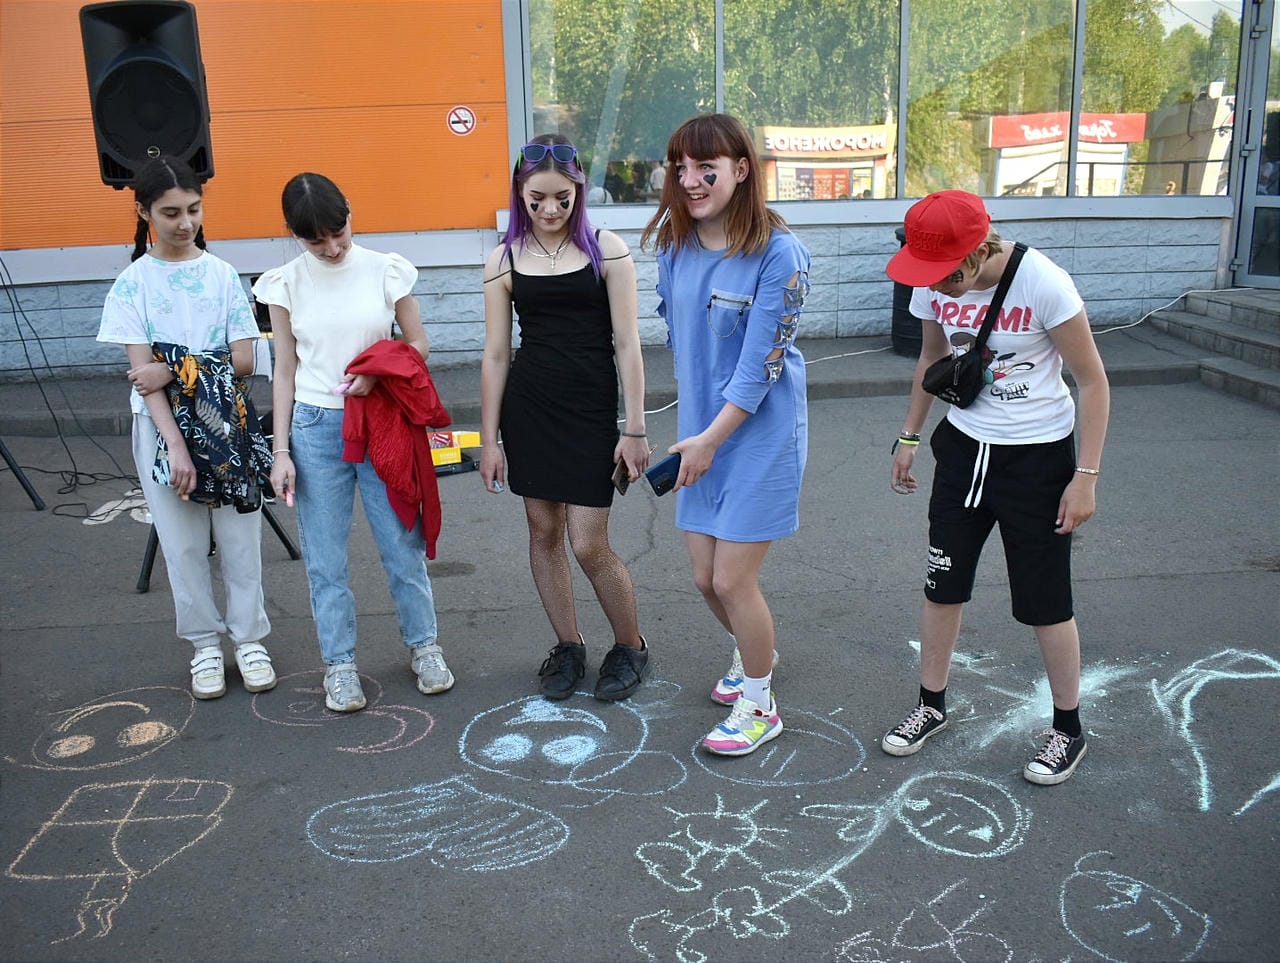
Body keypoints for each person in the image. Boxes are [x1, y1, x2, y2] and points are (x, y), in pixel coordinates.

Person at [883, 189, 1110, 786]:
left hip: (1038, 461)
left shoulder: (1044, 283)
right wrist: (909, 436)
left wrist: (1085, 477)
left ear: (979, 250)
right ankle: (931, 705)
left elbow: (1093, 382)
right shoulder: (931, 278)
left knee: (1045, 599)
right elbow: (932, 358)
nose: (937, 287)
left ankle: (1068, 728)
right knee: (943, 585)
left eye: (948, 275)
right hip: (964, 452)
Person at [640, 113, 811, 756]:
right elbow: (684, 344)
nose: (690, 180)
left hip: (759, 435)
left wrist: (712, 437)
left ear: (742, 170)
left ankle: (761, 705)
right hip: (699, 435)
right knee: (705, 579)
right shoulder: (674, 248)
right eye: (680, 167)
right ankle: (754, 651)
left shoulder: (779, 253)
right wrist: (694, 434)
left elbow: (761, 365)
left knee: (735, 581)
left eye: (705, 168)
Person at [254, 173, 452, 713]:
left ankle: (425, 647)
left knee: (402, 545)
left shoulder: (386, 268)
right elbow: (284, 371)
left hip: (382, 418)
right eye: (315, 240)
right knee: (324, 559)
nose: (332, 248)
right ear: (294, 234)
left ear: (349, 212)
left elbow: (418, 343)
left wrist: (376, 374)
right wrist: (280, 452)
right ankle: (339, 666)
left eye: (337, 233)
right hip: (315, 427)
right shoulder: (284, 284)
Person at [97, 155, 276, 700]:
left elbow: (244, 359)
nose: (185, 223)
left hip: (227, 424)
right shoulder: (132, 285)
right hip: (161, 430)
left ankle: (249, 639)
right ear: (144, 212)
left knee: (240, 538)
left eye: (193, 210)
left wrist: (173, 367)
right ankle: (204, 646)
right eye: (171, 212)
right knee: (182, 545)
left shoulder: (221, 275)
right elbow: (142, 379)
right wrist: (174, 445)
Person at [480, 134, 652, 701]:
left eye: (562, 198)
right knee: (544, 531)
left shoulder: (608, 250)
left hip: (591, 410)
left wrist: (635, 427)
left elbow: (627, 343)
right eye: (537, 200)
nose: (550, 210)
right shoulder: (504, 259)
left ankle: (630, 645)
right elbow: (496, 355)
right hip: (530, 409)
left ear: (579, 191)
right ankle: (568, 645)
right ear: (520, 195)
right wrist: (489, 440)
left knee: (588, 543)